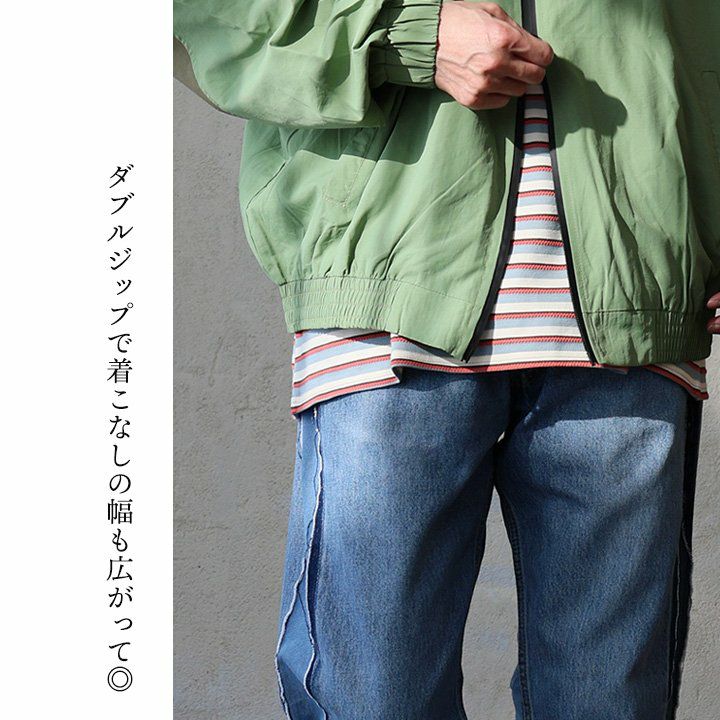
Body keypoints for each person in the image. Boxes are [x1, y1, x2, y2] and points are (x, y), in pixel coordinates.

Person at [174, 1, 720, 717]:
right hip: (386, 294)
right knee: (374, 698)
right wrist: (405, 35)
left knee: (610, 703)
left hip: (640, 301)